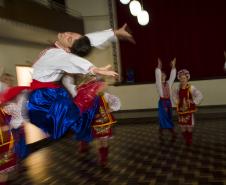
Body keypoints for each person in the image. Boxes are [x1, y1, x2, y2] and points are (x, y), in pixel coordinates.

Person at [0, 24, 133, 145]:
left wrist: (92, 68)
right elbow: (88, 39)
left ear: (68, 48)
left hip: (42, 98)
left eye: (70, 39)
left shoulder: (59, 55)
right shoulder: (65, 48)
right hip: (43, 93)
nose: (67, 34)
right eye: (71, 32)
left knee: (61, 117)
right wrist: (114, 33)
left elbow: (70, 59)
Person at [173, 69, 203, 145]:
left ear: (187, 78)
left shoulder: (191, 87)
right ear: (179, 79)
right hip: (181, 110)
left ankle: (189, 139)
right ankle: (186, 138)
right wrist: (177, 102)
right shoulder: (177, 88)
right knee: (183, 127)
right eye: (181, 78)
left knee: (189, 127)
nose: (182, 80)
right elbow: (174, 96)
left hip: (189, 110)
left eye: (184, 78)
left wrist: (194, 102)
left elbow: (200, 95)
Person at [155, 58, 176, 141]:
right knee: (163, 117)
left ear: (166, 76)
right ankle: (163, 129)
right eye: (161, 75)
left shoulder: (168, 83)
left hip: (168, 102)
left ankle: (169, 129)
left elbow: (172, 77)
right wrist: (159, 67)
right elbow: (157, 76)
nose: (162, 76)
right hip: (162, 102)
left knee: (169, 116)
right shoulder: (158, 84)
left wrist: (173, 66)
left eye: (164, 75)